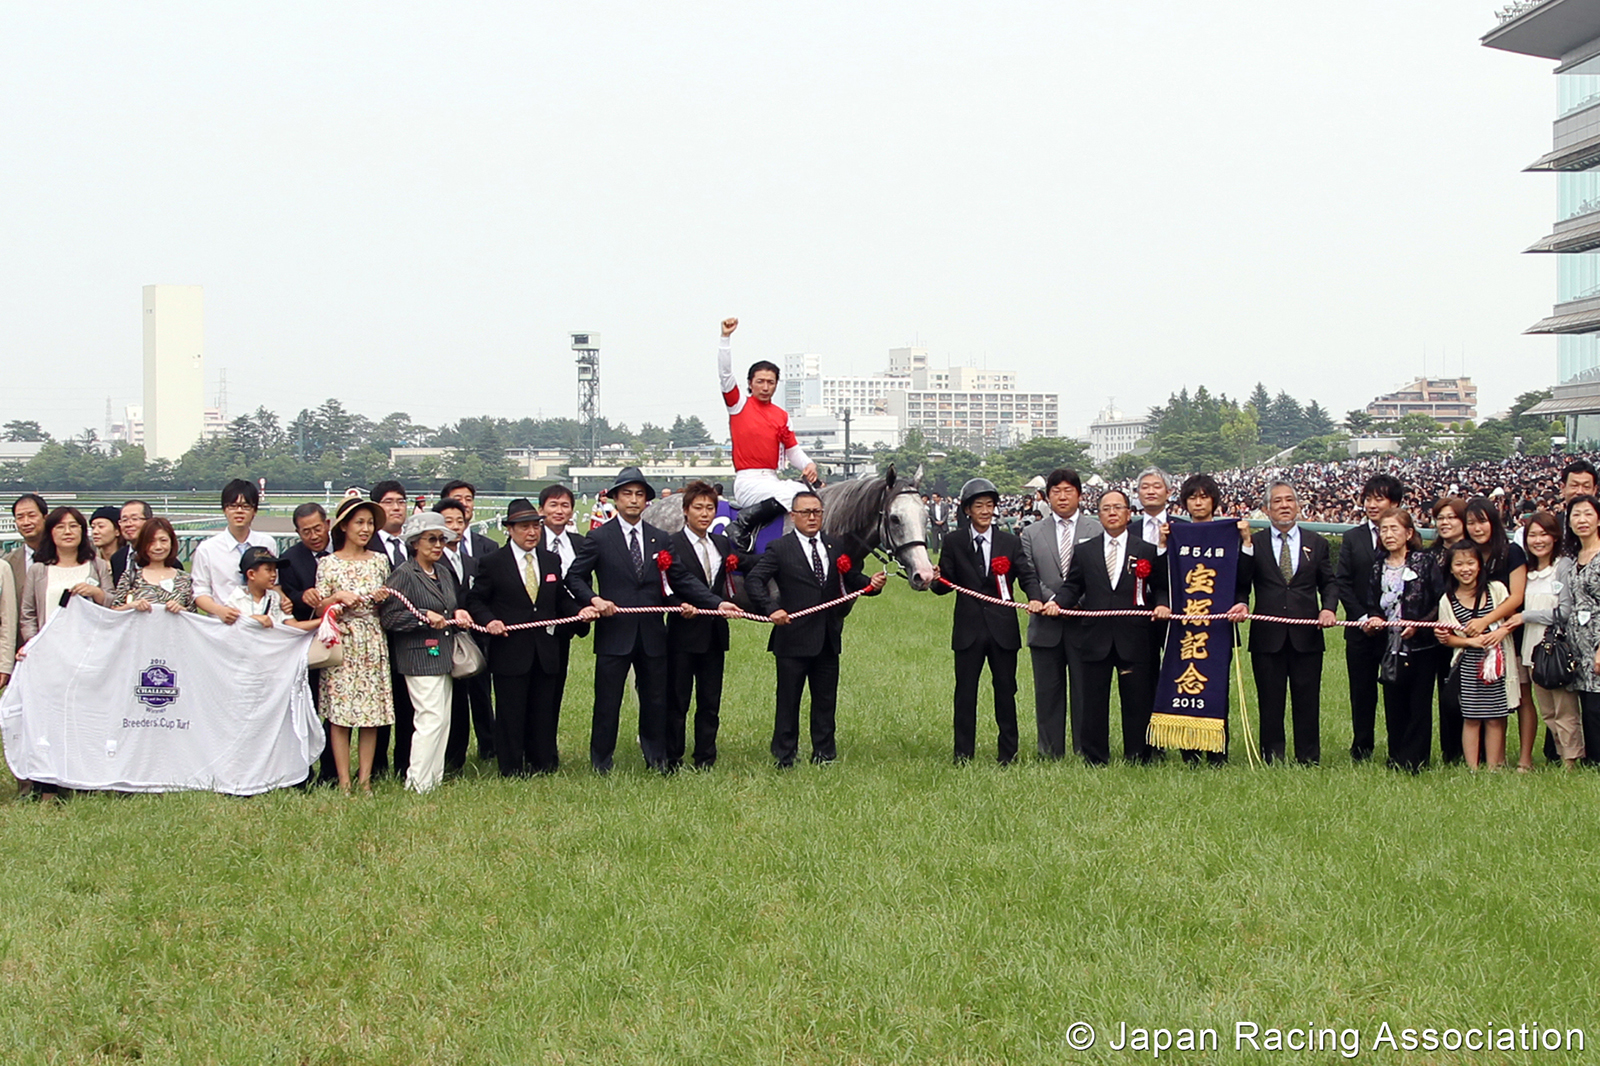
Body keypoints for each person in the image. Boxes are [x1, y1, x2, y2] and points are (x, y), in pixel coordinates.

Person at [747, 489, 887, 766]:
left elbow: (851, 578)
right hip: (793, 638)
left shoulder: (834, 546)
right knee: (788, 700)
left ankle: (824, 753)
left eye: (817, 512)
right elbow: (754, 580)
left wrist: (871, 586)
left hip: (827, 637)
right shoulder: (780, 548)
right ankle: (785, 755)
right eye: (805, 512)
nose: (812, 518)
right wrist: (771, 608)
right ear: (793, 516)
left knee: (825, 700)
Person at [566, 467, 678, 773]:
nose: (633, 500)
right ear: (615, 499)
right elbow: (575, 576)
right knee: (607, 701)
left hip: (653, 633)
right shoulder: (599, 537)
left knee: (655, 700)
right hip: (615, 633)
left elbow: (675, 582)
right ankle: (601, 761)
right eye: (627, 494)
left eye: (639, 495)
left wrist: (702, 603)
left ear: (646, 502)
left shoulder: (660, 538)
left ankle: (657, 758)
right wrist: (594, 599)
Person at [1047, 488, 1170, 765]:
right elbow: (1072, 586)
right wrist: (1056, 603)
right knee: (1093, 701)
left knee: (1138, 699)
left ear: (1129, 513)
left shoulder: (1146, 550)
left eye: (1118, 508)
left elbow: (1161, 587)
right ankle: (1095, 757)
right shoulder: (1085, 550)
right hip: (1095, 636)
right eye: (1106, 508)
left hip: (1136, 635)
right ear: (1098, 515)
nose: (1112, 513)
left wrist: (1162, 604)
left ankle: (1139, 755)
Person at [1226, 481, 1339, 765]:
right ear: (1266, 509)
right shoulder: (1255, 543)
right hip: (1268, 636)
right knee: (1270, 701)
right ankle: (1272, 757)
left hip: (1307, 636)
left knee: (1307, 700)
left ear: (1299, 506)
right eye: (1277, 501)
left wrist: (1328, 609)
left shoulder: (1318, 543)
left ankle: (1308, 757)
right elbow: (1242, 582)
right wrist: (1241, 602)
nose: (1284, 505)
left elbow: (1329, 584)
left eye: (1290, 500)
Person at [466, 497, 571, 776]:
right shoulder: (492, 562)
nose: (531, 533)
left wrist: (582, 611)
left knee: (543, 709)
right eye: (524, 527)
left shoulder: (551, 560)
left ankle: (543, 762)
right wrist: (490, 621)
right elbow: (476, 601)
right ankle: (511, 766)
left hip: (545, 650)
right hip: (510, 651)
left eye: (536, 526)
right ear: (509, 529)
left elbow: (559, 599)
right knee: (511, 712)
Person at [932, 477, 1031, 765]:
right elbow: (945, 585)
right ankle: (963, 754)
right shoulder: (953, 541)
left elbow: (1025, 576)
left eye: (989, 505)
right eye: (979, 506)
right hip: (968, 630)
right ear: (967, 510)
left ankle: (1008, 754)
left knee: (1005, 691)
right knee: (965, 693)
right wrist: (936, 579)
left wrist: (1036, 598)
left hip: (1003, 630)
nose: (985, 511)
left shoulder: (1009, 542)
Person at [380, 512, 474, 793]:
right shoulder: (404, 574)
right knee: (429, 718)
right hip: (418, 657)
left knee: (442, 719)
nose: (438, 545)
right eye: (431, 539)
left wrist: (457, 611)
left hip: (443, 654)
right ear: (415, 543)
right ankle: (417, 782)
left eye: (442, 539)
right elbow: (389, 617)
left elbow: (448, 607)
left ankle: (434, 777)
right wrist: (422, 616)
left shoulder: (443, 572)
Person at [662, 480, 747, 770]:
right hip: (683, 634)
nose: (705, 514)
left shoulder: (721, 543)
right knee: (677, 700)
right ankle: (672, 758)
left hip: (714, 635)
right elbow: (678, 581)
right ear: (686, 511)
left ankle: (705, 758)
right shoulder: (671, 544)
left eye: (710, 508)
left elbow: (743, 565)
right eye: (698, 508)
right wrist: (713, 604)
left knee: (710, 702)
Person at [1018, 468, 1103, 759]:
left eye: (1069, 491)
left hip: (1084, 624)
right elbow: (1027, 573)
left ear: (1079, 495)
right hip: (1045, 623)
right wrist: (1051, 599)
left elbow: (1100, 575)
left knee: (1084, 692)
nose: (1063, 496)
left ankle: (1085, 748)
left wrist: (1071, 601)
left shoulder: (1096, 530)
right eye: (1056, 491)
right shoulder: (1030, 533)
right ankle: (1050, 751)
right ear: (1047, 496)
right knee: (1048, 693)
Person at [1169, 473, 1250, 765]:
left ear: (1214, 501)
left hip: (1216, 628)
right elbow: (1162, 577)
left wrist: (1246, 542)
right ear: (1185, 503)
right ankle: (1188, 752)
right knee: (1184, 682)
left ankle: (1217, 752)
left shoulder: (1228, 533)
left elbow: (1243, 577)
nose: (1198, 502)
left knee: (1216, 686)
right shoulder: (1176, 533)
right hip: (1184, 627)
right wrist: (1164, 546)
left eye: (1204, 496)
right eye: (1193, 497)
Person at [717, 318, 819, 550]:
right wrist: (725, 338)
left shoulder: (781, 415)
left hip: (772, 480)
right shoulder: (739, 405)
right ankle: (740, 526)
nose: (765, 387)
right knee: (794, 498)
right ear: (750, 384)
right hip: (748, 481)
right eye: (760, 382)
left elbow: (792, 451)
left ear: (776, 385)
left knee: (807, 495)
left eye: (770, 382)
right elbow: (725, 375)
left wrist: (809, 464)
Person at [315, 497, 394, 793]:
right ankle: (344, 781)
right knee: (340, 716)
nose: (365, 529)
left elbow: (390, 599)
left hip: (372, 640)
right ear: (344, 526)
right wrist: (337, 599)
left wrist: (383, 597)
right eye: (359, 522)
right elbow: (319, 606)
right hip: (342, 641)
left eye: (370, 523)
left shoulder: (379, 561)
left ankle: (366, 780)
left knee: (370, 715)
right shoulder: (329, 563)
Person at [1362, 508, 1443, 773]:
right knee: (1393, 701)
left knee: (1419, 703)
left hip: (1421, 645)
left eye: (1394, 529)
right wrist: (1374, 619)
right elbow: (1372, 602)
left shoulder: (1424, 561)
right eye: (1384, 529)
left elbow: (1438, 600)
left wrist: (1418, 626)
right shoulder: (1377, 565)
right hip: (1389, 645)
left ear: (1409, 533)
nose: (1388, 535)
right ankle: (1396, 757)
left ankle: (1416, 759)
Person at [1335, 474, 1404, 762]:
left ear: (1395, 503)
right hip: (1361, 631)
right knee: (1361, 692)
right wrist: (1362, 616)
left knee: (1395, 691)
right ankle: (1362, 748)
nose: (1372, 504)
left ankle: (1398, 749)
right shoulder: (1353, 538)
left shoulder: (1404, 536)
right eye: (1368, 498)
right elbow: (1343, 582)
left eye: (1380, 498)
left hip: (1395, 630)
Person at [1512, 511, 1584, 768]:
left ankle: (1571, 760)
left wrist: (1525, 616)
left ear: (1555, 537)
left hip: (1557, 648)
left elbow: (1564, 611)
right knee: (1548, 711)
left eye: (1544, 534)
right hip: (1532, 649)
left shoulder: (1562, 567)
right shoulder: (1528, 571)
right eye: (1533, 534)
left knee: (1564, 708)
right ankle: (1564, 754)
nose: (1538, 540)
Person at [1436, 542, 1516, 771]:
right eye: (1459, 564)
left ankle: (1493, 768)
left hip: (1497, 663)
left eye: (1471, 563)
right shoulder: (1448, 600)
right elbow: (1447, 638)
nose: (1465, 569)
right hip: (1467, 666)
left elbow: (1512, 619)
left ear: (1480, 566)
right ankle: (1472, 768)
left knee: (1495, 717)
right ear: (1451, 569)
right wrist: (1469, 641)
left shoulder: (1496, 590)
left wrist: (1498, 633)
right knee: (1470, 718)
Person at [1462, 496, 1529, 768]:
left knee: (1521, 694)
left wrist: (1490, 623)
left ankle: (1525, 759)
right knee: (1488, 698)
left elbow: (1516, 597)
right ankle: (1493, 759)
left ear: (1493, 521)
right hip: (1476, 639)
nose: (1477, 528)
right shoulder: (1466, 553)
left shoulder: (1511, 551)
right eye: (1470, 523)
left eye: (1482, 522)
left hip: (1510, 631)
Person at [442, 480, 500, 765]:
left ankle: (488, 747)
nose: (459, 518)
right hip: (441, 639)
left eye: (468, 501)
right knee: (450, 701)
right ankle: (452, 756)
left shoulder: (480, 552)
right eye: (449, 518)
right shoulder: (431, 558)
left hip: (478, 636)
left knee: (481, 692)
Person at [278, 502, 335, 785]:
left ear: (327, 524)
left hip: (344, 640)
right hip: (308, 643)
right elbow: (287, 594)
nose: (313, 536)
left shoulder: (343, 550)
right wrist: (303, 596)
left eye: (317, 528)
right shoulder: (289, 559)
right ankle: (304, 771)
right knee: (309, 705)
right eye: (305, 532)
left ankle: (335, 771)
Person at [367, 479, 415, 779]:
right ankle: (377, 765)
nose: (396, 508)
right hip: (376, 637)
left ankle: (405, 764)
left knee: (409, 705)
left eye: (400, 501)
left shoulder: (416, 543)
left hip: (411, 637)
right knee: (381, 704)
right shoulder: (366, 544)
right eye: (388, 502)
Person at [538, 483, 589, 744]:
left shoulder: (581, 543)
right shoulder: (532, 541)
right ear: (541, 509)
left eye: (565, 505)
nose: (559, 511)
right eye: (553, 505)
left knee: (555, 687)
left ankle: (547, 746)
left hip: (568, 625)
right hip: (534, 627)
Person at [20, 506, 114, 644]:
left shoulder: (97, 566)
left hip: (90, 646)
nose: (68, 532)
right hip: (50, 646)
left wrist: (96, 592)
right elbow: (28, 614)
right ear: (50, 532)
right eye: (60, 527)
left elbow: (113, 603)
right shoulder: (38, 570)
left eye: (73, 526)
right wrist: (33, 642)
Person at [191, 479, 278, 623]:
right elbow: (200, 592)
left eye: (245, 506)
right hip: (223, 625)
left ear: (254, 510)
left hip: (261, 623)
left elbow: (273, 583)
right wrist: (220, 610)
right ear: (224, 509)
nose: (239, 511)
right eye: (233, 506)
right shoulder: (207, 549)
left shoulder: (267, 544)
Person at [1428, 496, 1470, 763]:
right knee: (1446, 693)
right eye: (1440, 518)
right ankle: (1450, 751)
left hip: (1470, 633)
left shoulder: (1475, 553)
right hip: (1436, 633)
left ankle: (1475, 751)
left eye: (1451, 517)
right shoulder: (1429, 554)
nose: (1445, 523)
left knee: (1471, 694)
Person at [1562, 494, 1600, 765]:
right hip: (1579, 643)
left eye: (1588, 513)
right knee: (1588, 703)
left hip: (1597, 643)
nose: (1582, 520)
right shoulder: (1574, 557)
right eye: (1576, 515)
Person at [110, 518, 196, 613]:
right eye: (151, 542)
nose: (158, 547)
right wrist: (131, 606)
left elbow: (194, 617)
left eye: (163, 540)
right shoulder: (130, 577)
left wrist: (181, 610)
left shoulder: (184, 579)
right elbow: (114, 613)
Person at [228, 547, 298, 628]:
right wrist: (250, 620)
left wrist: (316, 623)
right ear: (251, 574)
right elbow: (231, 628)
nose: (274, 574)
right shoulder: (237, 598)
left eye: (274, 570)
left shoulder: (275, 597)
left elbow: (294, 625)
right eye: (268, 570)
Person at [6, 493, 48, 600]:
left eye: (31, 515)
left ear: (45, 518)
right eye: (20, 517)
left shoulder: (66, 554)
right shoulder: (8, 563)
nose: (26, 522)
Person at [114, 500, 154, 582]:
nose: (129, 524)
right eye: (124, 520)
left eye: (135, 519)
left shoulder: (161, 556)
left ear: (149, 522)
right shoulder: (117, 558)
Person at [88, 506, 127, 585]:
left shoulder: (129, 561)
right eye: (93, 527)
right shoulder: (91, 562)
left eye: (101, 526)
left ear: (117, 531)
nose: (95, 532)